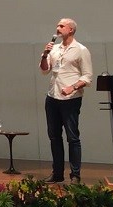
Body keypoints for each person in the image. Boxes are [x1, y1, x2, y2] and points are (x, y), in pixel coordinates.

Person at [39, 18, 93, 184]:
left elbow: (88, 76)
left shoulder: (81, 50)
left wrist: (73, 87)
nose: (58, 28)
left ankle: (75, 175)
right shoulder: (54, 49)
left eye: (61, 26)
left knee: (72, 137)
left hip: (70, 99)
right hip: (52, 97)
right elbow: (45, 70)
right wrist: (45, 54)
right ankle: (57, 173)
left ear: (71, 30)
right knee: (54, 137)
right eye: (57, 25)